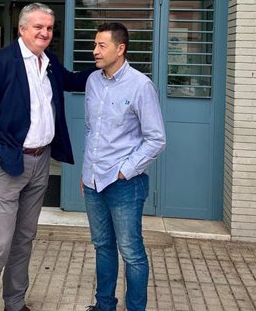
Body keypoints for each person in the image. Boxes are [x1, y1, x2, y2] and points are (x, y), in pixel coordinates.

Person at [0, 2, 93, 311]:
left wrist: (109, 65)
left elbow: (74, 81)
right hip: (9, 164)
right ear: (22, 29)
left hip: (41, 162)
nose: (45, 33)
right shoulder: (2, 63)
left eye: (49, 28)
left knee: (24, 240)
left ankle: (15, 303)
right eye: (38, 27)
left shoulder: (48, 62)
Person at [81, 22, 166, 311]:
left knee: (132, 253)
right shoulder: (93, 81)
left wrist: (124, 170)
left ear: (120, 48)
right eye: (95, 45)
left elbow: (156, 139)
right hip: (94, 183)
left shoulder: (141, 85)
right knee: (103, 247)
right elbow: (92, 131)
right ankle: (104, 305)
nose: (95, 51)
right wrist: (87, 172)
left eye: (101, 45)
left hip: (125, 185)